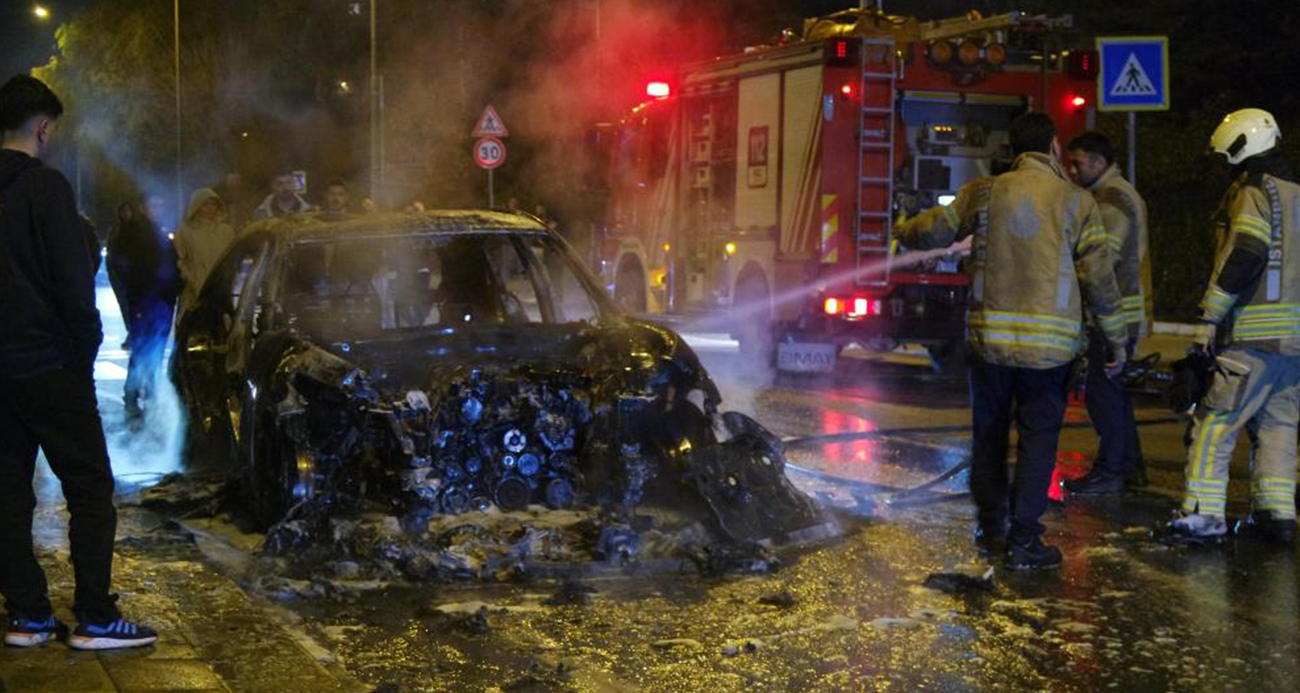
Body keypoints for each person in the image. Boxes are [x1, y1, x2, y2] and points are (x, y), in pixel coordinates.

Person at [895, 112, 1128, 570]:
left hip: (991, 346)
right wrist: (1115, 339)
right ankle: (1024, 541)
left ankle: (990, 526)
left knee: (990, 437)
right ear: (1054, 148)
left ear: (1013, 151)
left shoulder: (984, 193)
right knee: (1039, 440)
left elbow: (935, 230)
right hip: (1051, 352)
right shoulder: (1077, 201)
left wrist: (902, 227)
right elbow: (1098, 277)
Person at [0, 74, 158, 649]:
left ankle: (27, 615)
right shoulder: (46, 189)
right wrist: (84, 351)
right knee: (90, 488)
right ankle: (95, 616)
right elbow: (74, 282)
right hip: (50, 366)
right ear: (42, 128)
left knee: (8, 493)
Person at [1169, 109, 1300, 544]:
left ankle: (1202, 518)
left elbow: (1246, 252)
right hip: (1295, 343)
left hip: (1252, 336)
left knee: (1214, 424)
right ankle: (1277, 515)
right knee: (1279, 425)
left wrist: (1210, 315)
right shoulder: (1296, 191)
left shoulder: (1252, 191)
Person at [1064, 131, 1153, 495]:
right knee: (1112, 393)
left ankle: (1111, 470)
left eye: (1078, 162)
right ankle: (1129, 467)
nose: (1072, 169)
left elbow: (1101, 259)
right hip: (1120, 312)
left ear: (1099, 163)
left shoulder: (1111, 198)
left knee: (1102, 394)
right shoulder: (1111, 193)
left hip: (1113, 314)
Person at [116, 192, 181, 423]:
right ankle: (134, 396)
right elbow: (127, 266)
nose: (159, 207)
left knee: (152, 349)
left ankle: (146, 394)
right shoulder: (134, 231)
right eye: (154, 203)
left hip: (160, 301)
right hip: (147, 301)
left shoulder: (158, 231)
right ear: (143, 207)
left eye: (161, 203)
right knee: (144, 349)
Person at [174, 188, 236, 314]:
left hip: (220, 288)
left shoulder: (225, 231)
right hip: (194, 288)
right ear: (196, 206)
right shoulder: (185, 231)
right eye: (205, 204)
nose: (209, 208)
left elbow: (232, 258)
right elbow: (179, 258)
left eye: (213, 204)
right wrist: (190, 278)